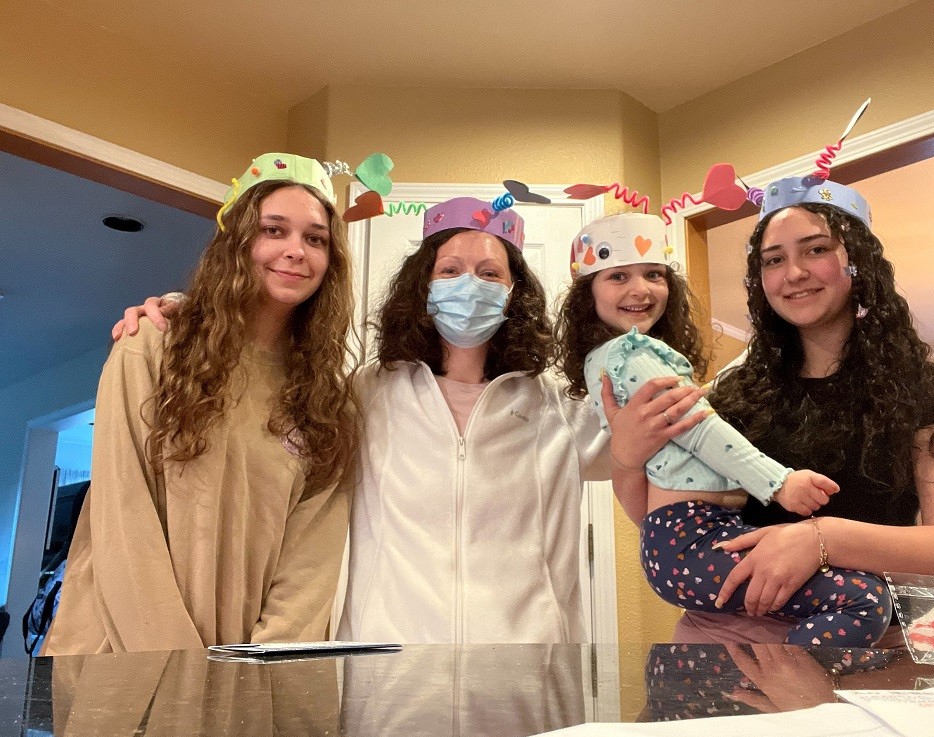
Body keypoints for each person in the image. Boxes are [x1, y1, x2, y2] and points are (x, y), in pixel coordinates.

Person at [112, 195, 711, 643]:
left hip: (527, 675)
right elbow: (266, 389)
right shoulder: (364, 395)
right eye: (449, 271)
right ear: (420, 289)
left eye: (489, 273)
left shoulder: (558, 407)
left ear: (513, 293)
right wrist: (184, 310)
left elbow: (662, 462)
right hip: (387, 679)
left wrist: (641, 318)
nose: (468, 286)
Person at [609, 176, 934, 644]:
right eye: (774, 260)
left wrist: (819, 539)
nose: (793, 273)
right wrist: (625, 458)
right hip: (723, 647)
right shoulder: (731, 392)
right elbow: (660, 521)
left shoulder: (925, 389)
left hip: (855, 647)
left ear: (858, 264)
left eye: (815, 250)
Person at [44, 153, 358, 654]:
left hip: (249, 672)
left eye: (315, 238)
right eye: (273, 230)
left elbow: (311, 563)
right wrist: (182, 671)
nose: (296, 250)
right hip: (126, 654)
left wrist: (259, 670)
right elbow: (123, 519)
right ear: (236, 242)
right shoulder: (151, 345)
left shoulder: (327, 401)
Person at [554, 212, 891, 647]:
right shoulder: (629, 354)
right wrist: (780, 483)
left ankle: (782, 687)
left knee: (859, 595)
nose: (640, 289)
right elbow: (699, 431)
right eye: (617, 276)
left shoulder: (641, 358)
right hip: (690, 537)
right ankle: (786, 687)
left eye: (654, 274)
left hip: (687, 541)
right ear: (589, 295)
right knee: (863, 599)